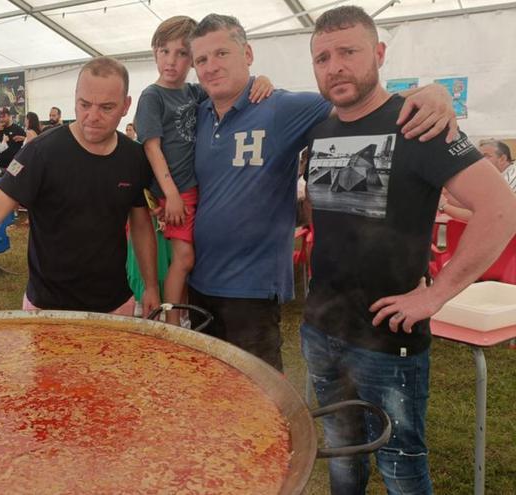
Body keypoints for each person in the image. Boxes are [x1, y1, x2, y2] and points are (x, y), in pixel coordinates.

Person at [301, 6, 516, 493]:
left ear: (378, 54)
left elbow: (501, 209)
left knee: (401, 466)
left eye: (349, 52)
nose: (335, 66)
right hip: (320, 329)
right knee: (339, 456)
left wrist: (436, 295)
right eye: (322, 57)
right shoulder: (318, 130)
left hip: (388, 337)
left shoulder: (419, 122)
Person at [186, 13, 459, 371]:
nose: (211, 67)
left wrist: (433, 93)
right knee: (206, 381)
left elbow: (365, 102)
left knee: (256, 391)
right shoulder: (198, 113)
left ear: (247, 54)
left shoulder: (282, 107)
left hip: (250, 286)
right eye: (201, 60)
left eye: (221, 53)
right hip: (201, 278)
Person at [0, 57, 160, 317]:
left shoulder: (133, 157)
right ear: (75, 97)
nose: (93, 116)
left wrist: (151, 285)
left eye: (106, 107)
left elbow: (141, 225)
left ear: (126, 106)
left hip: (114, 304)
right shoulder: (41, 153)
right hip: (47, 307)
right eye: (84, 104)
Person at [135, 15, 273, 326]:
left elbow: (231, 89)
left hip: (198, 189)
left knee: (190, 259)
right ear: (154, 52)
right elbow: (152, 148)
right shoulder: (152, 96)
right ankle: (172, 323)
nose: (172, 61)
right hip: (177, 191)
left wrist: (261, 80)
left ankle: (181, 313)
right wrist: (170, 194)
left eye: (182, 53)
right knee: (184, 258)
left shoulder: (193, 93)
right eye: (164, 51)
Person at [439, 139, 515, 221]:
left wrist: (444, 207)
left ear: (502, 159)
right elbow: (474, 205)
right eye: (479, 157)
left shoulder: (512, 176)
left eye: (486, 156)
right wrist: (446, 195)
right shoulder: (493, 177)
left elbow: (486, 216)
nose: (480, 161)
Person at [0, 106, 26, 171]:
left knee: (14, 181)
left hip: (15, 166)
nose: (1, 119)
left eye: (3, 117)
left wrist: (24, 138)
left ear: (9, 116)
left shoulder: (18, 129)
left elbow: (27, 145)